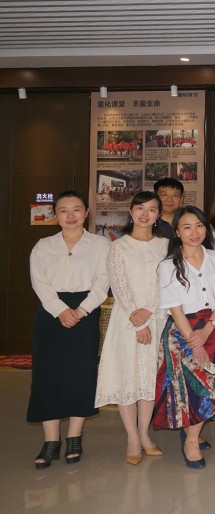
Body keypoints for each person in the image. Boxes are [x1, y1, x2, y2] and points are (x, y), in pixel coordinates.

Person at [29, 191, 110, 469]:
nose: (71, 215)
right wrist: (60, 310)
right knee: (47, 374)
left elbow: (103, 282)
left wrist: (82, 310)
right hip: (51, 313)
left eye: (77, 209)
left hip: (86, 310)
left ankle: (75, 436)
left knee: (81, 373)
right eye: (63, 210)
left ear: (86, 212)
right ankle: (51, 440)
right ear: (55, 215)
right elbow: (39, 282)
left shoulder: (101, 244)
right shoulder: (43, 246)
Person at [154, 206, 215, 469]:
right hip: (182, 331)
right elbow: (174, 308)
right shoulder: (168, 265)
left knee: (211, 384)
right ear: (177, 232)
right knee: (193, 386)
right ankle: (191, 441)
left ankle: (192, 433)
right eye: (187, 227)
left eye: (199, 226)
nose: (194, 232)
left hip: (214, 326)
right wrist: (194, 341)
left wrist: (208, 329)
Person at [94, 192, 167, 465]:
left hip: (158, 318)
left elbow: (168, 284)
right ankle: (132, 438)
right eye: (140, 208)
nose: (145, 214)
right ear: (131, 211)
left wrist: (151, 312)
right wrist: (140, 322)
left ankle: (145, 434)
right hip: (127, 322)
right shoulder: (118, 246)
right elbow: (120, 286)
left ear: (159, 215)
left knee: (148, 380)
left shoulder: (166, 246)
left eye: (151, 209)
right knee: (129, 377)